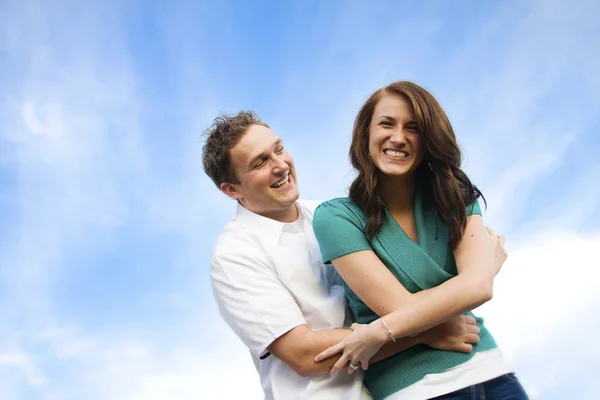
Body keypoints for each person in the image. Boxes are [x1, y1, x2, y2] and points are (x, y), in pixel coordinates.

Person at [203, 111, 494, 400]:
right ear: (231, 189)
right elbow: (302, 353)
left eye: (278, 149)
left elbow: (413, 283)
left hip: (394, 388)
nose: (280, 165)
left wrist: (482, 269)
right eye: (260, 163)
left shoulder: (332, 215)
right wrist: (422, 331)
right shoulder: (235, 256)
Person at [312, 81, 529, 399]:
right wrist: (480, 273)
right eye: (386, 123)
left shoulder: (456, 197)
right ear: (366, 134)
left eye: (412, 128)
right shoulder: (337, 218)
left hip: (493, 373)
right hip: (414, 389)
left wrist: (378, 331)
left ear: (428, 139)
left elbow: (478, 288)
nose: (398, 137)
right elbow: (404, 310)